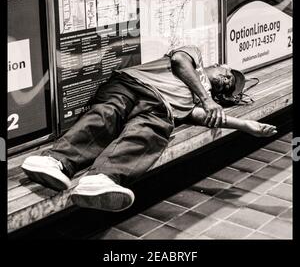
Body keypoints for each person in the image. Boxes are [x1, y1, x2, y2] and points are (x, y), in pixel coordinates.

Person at [22, 45, 276, 212]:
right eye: (228, 75)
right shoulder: (194, 57)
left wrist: (245, 125)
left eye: (227, 88)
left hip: (160, 110)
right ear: (219, 64)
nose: (226, 82)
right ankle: (56, 161)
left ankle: (102, 178)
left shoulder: (198, 101)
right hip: (134, 85)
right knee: (107, 113)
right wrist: (207, 98)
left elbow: (199, 116)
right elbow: (178, 60)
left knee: (151, 132)